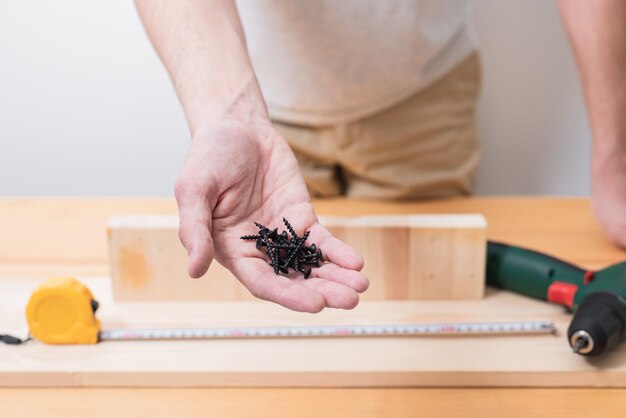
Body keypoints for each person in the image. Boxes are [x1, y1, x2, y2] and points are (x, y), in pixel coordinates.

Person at [134, 0, 626, 313]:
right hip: (254, 96)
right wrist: (232, 116)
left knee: (420, 293)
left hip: (423, 91)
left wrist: (613, 157)